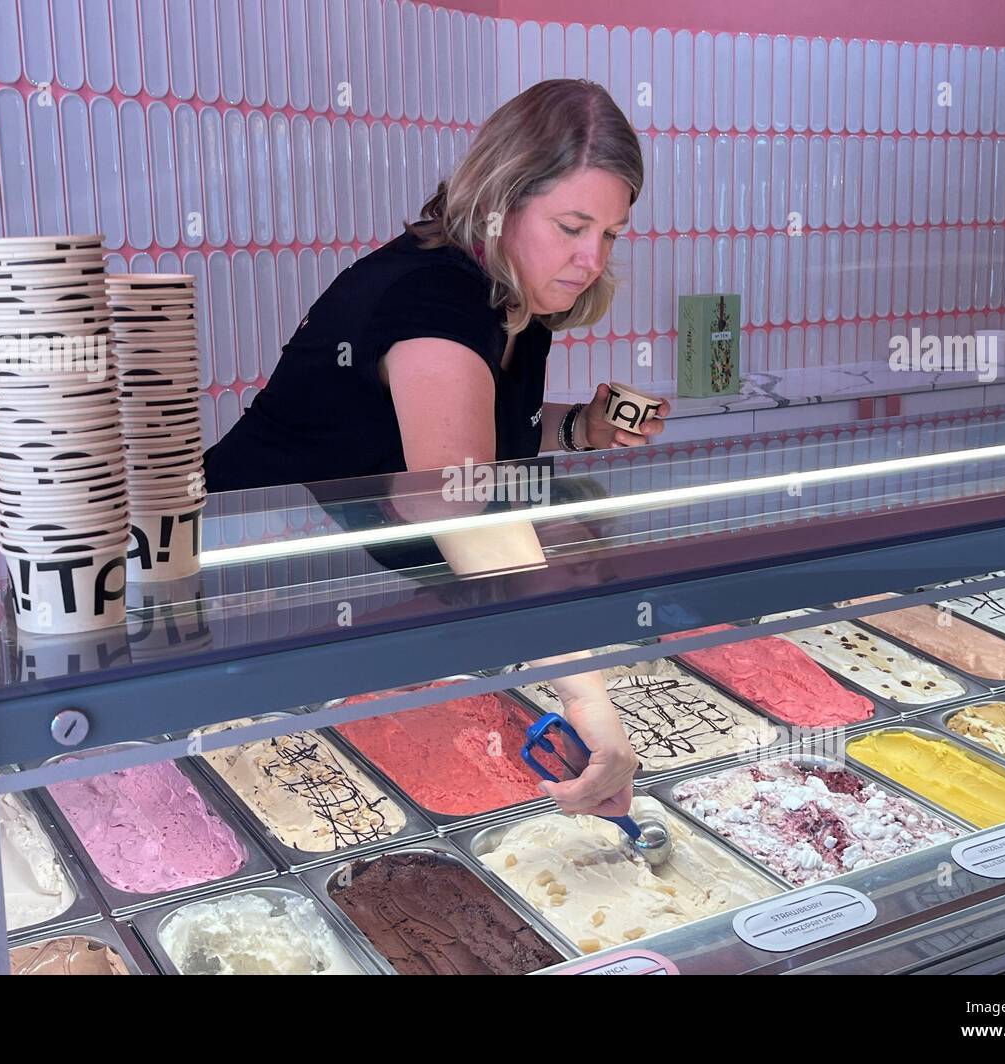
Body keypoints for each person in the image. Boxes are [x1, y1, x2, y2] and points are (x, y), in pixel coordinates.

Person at [205, 79, 671, 819]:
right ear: (500, 199)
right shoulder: (432, 297)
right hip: (240, 590)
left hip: (337, 594)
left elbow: (484, 443)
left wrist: (578, 426)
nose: (591, 257)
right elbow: (461, 495)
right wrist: (587, 697)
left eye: (609, 234)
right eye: (572, 225)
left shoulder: (513, 299)